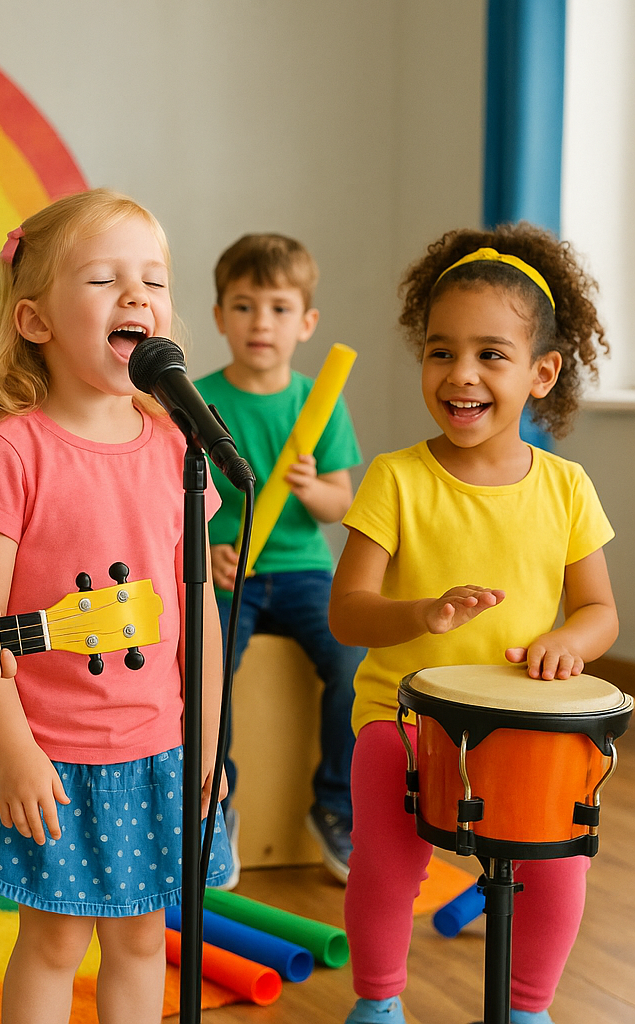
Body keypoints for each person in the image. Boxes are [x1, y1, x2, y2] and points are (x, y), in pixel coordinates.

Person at [0, 188, 232, 1024]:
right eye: (104, 280)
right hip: (48, 750)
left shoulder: (177, 446)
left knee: (142, 938)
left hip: (157, 748)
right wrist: (15, 747)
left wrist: (207, 737)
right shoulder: (13, 449)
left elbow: (196, 613)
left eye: (153, 280)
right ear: (35, 320)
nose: (137, 296)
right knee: (56, 940)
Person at [329, 224, 619, 1024]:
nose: (461, 373)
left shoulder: (566, 488)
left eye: (491, 354)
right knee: (386, 865)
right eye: (441, 351)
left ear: (542, 372)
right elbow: (347, 612)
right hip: (402, 717)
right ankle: (378, 1002)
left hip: (523, 729)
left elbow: (600, 612)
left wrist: (567, 641)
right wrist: (420, 613)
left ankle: (528, 1009)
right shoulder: (395, 479)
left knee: (560, 867)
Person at [194, 233, 363, 884]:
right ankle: (218, 805)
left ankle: (335, 805)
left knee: (353, 664)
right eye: (243, 306)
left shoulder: (318, 402)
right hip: (227, 571)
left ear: (306, 322)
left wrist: (312, 488)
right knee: (207, 675)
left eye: (279, 308)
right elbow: (169, 504)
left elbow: (340, 504)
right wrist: (207, 550)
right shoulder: (195, 403)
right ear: (220, 317)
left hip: (302, 570)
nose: (260, 323)